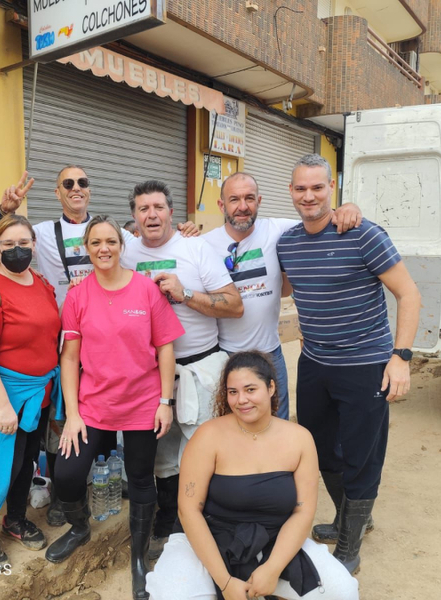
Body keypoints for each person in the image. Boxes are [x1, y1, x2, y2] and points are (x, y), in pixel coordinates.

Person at [0, 166, 199, 528]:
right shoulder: (42, 233)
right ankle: (64, 493)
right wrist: (4, 212)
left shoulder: (123, 235)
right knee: (64, 425)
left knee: (131, 451)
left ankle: (113, 482)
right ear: (57, 192)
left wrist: (187, 230)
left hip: (120, 345)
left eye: (82, 183)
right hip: (69, 335)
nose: (76, 188)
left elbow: (154, 235)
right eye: (68, 183)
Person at [277, 154, 421, 573]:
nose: (309, 196)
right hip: (316, 363)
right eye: (301, 188)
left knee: (362, 454)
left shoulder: (364, 235)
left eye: (318, 187)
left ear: (331, 189)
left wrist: (401, 357)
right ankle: (352, 514)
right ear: (291, 192)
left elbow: (408, 294)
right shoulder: (287, 242)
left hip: (366, 364)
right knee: (320, 447)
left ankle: (350, 543)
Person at [146, 351, 359, 600]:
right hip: (207, 539)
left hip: (274, 538)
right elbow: (188, 510)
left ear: (270, 387)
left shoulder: (299, 439)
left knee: (341, 591)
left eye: (250, 389)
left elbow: (303, 511)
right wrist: (225, 583)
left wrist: (272, 568)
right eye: (233, 392)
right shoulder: (208, 436)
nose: (241, 400)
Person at [46, 216, 184, 600]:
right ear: (86, 249)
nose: (103, 248)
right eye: (95, 243)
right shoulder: (78, 295)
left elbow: (165, 348)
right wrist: (73, 414)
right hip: (93, 404)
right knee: (68, 473)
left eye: (111, 241)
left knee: (142, 479)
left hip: (142, 402)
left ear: (123, 246)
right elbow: (70, 359)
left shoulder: (145, 291)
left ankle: (138, 559)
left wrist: (165, 402)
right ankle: (79, 527)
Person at [122, 180, 243, 560]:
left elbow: (234, 304)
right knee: (160, 455)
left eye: (158, 207)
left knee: (201, 452)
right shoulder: (124, 252)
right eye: (143, 209)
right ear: (134, 217)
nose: (151, 215)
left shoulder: (195, 248)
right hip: (148, 373)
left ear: (172, 212)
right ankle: (168, 518)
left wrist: (185, 294)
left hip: (199, 367)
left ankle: (199, 522)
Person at [203, 172, 362, 421]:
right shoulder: (203, 244)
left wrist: (347, 207)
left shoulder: (279, 229)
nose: (242, 206)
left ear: (260, 200)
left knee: (277, 424)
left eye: (249, 198)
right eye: (234, 199)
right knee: (230, 428)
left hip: (270, 354)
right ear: (221, 205)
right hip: (225, 356)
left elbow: (317, 217)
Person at [0, 214, 63, 571]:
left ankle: (15, 520)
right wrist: (2, 407)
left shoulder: (42, 283)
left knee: (27, 460)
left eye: (24, 243)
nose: (17, 250)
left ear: (34, 245)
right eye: (8, 245)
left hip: (36, 392)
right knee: (2, 461)